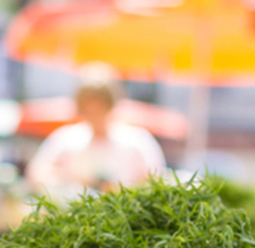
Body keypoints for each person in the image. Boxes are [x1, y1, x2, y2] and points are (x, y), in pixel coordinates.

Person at [26, 69, 165, 198]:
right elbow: (36, 173)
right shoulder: (65, 139)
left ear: (110, 105)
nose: (94, 111)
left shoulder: (137, 142)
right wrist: (69, 178)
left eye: (99, 105)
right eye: (88, 107)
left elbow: (155, 182)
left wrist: (121, 189)